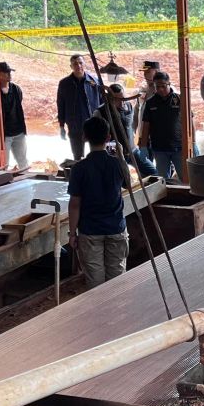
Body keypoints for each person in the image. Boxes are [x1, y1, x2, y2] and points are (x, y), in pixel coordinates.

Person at [67, 115, 130, 288]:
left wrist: (72, 233)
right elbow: (129, 184)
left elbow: (74, 204)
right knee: (117, 281)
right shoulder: (117, 164)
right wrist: (121, 156)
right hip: (116, 228)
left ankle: (99, 306)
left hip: (90, 231)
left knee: (95, 283)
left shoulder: (79, 168)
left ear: (84, 137)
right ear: (108, 138)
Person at [138, 72, 184, 181]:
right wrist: (143, 146)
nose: (160, 89)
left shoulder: (180, 99)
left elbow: (189, 122)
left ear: (169, 84)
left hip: (179, 147)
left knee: (185, 178)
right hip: (159, 149)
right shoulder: (150, 103)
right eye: (157, 86)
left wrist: (193, 142)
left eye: (163, 86)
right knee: (163, 181)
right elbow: (146, 126)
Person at [108, 82, 159, 179]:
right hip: (115, 154)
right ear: (110, 99)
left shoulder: (128, 106)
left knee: (153, 172)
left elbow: (132, 124)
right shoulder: (102, 111)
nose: (122, 102)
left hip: (132, 150)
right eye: (118, 100)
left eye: (123, 98)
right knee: (123, 180)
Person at [57, 54, 102, 161]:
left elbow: (102, 102)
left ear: (84, 64)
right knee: (77, 157)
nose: (78, 66)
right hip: (74, 125)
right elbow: (61, 105)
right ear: (71, 66)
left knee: (96, 155)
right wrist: (61, 126)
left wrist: (103, 122)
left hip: (93, 124)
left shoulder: (94, 81)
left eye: (80, 63)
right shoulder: (64, 84)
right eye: (75, 64)